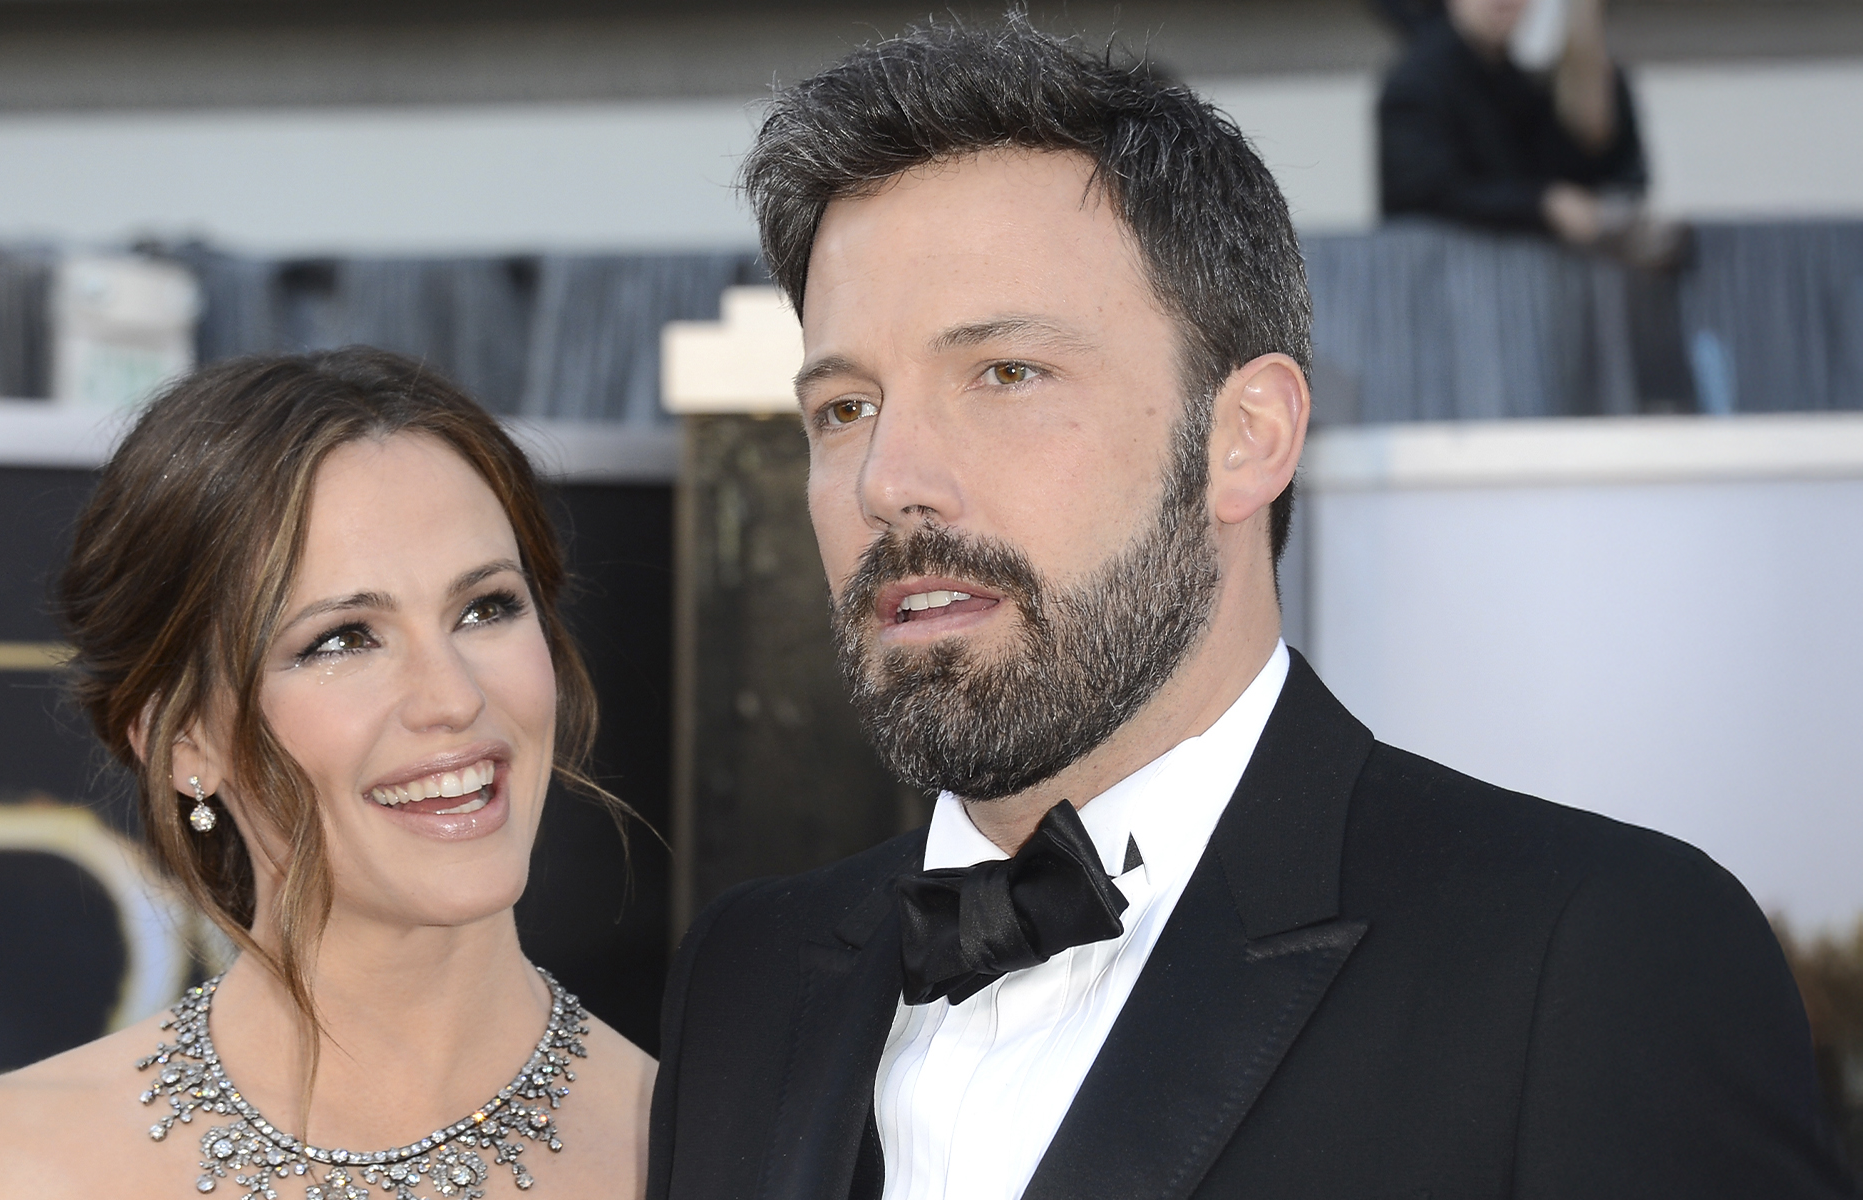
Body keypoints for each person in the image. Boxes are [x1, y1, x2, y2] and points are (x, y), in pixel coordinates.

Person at [648, 19, 1854, 1200]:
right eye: (843, 408)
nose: (886, 480)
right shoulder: (745, 980)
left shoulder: (1590, 958)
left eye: (1005, 374)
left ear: (1246, 436)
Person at [0, 349, 654, 1200]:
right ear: (183, 739)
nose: (452, 698)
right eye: (341, 639)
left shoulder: (717, 1156)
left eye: (486, 608)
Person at [1380, 0, 1679, 266]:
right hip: (1441, 287)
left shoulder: (1521, 80)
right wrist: (1544, 205)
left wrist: (1583, 37)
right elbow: (1427, 193)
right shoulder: (1421, 82)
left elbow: (1606, 175)